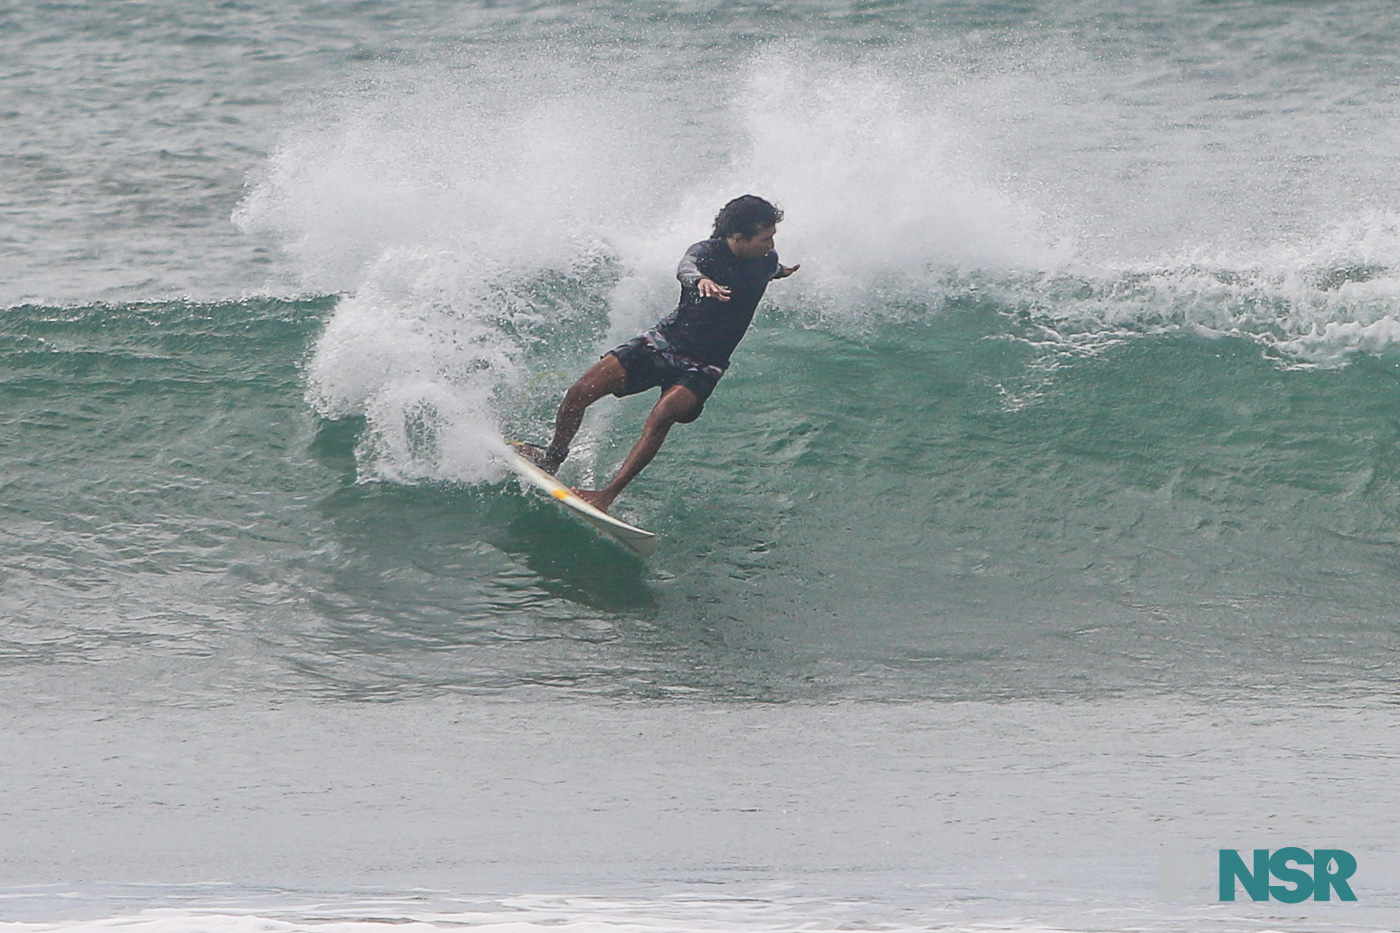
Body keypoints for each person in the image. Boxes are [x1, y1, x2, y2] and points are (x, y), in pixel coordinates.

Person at [519, 195, 799, 514]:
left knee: (661, 418)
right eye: (765, 238)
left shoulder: (765, 259)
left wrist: (781, 271)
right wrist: (702, 282)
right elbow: (686, 269)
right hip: (663, 343)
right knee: (580, 391)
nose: (771, 243)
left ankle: (607, 494)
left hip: (704, 365)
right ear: (738, 237)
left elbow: (769, 268)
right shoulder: (705, 254)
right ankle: (552, 457)